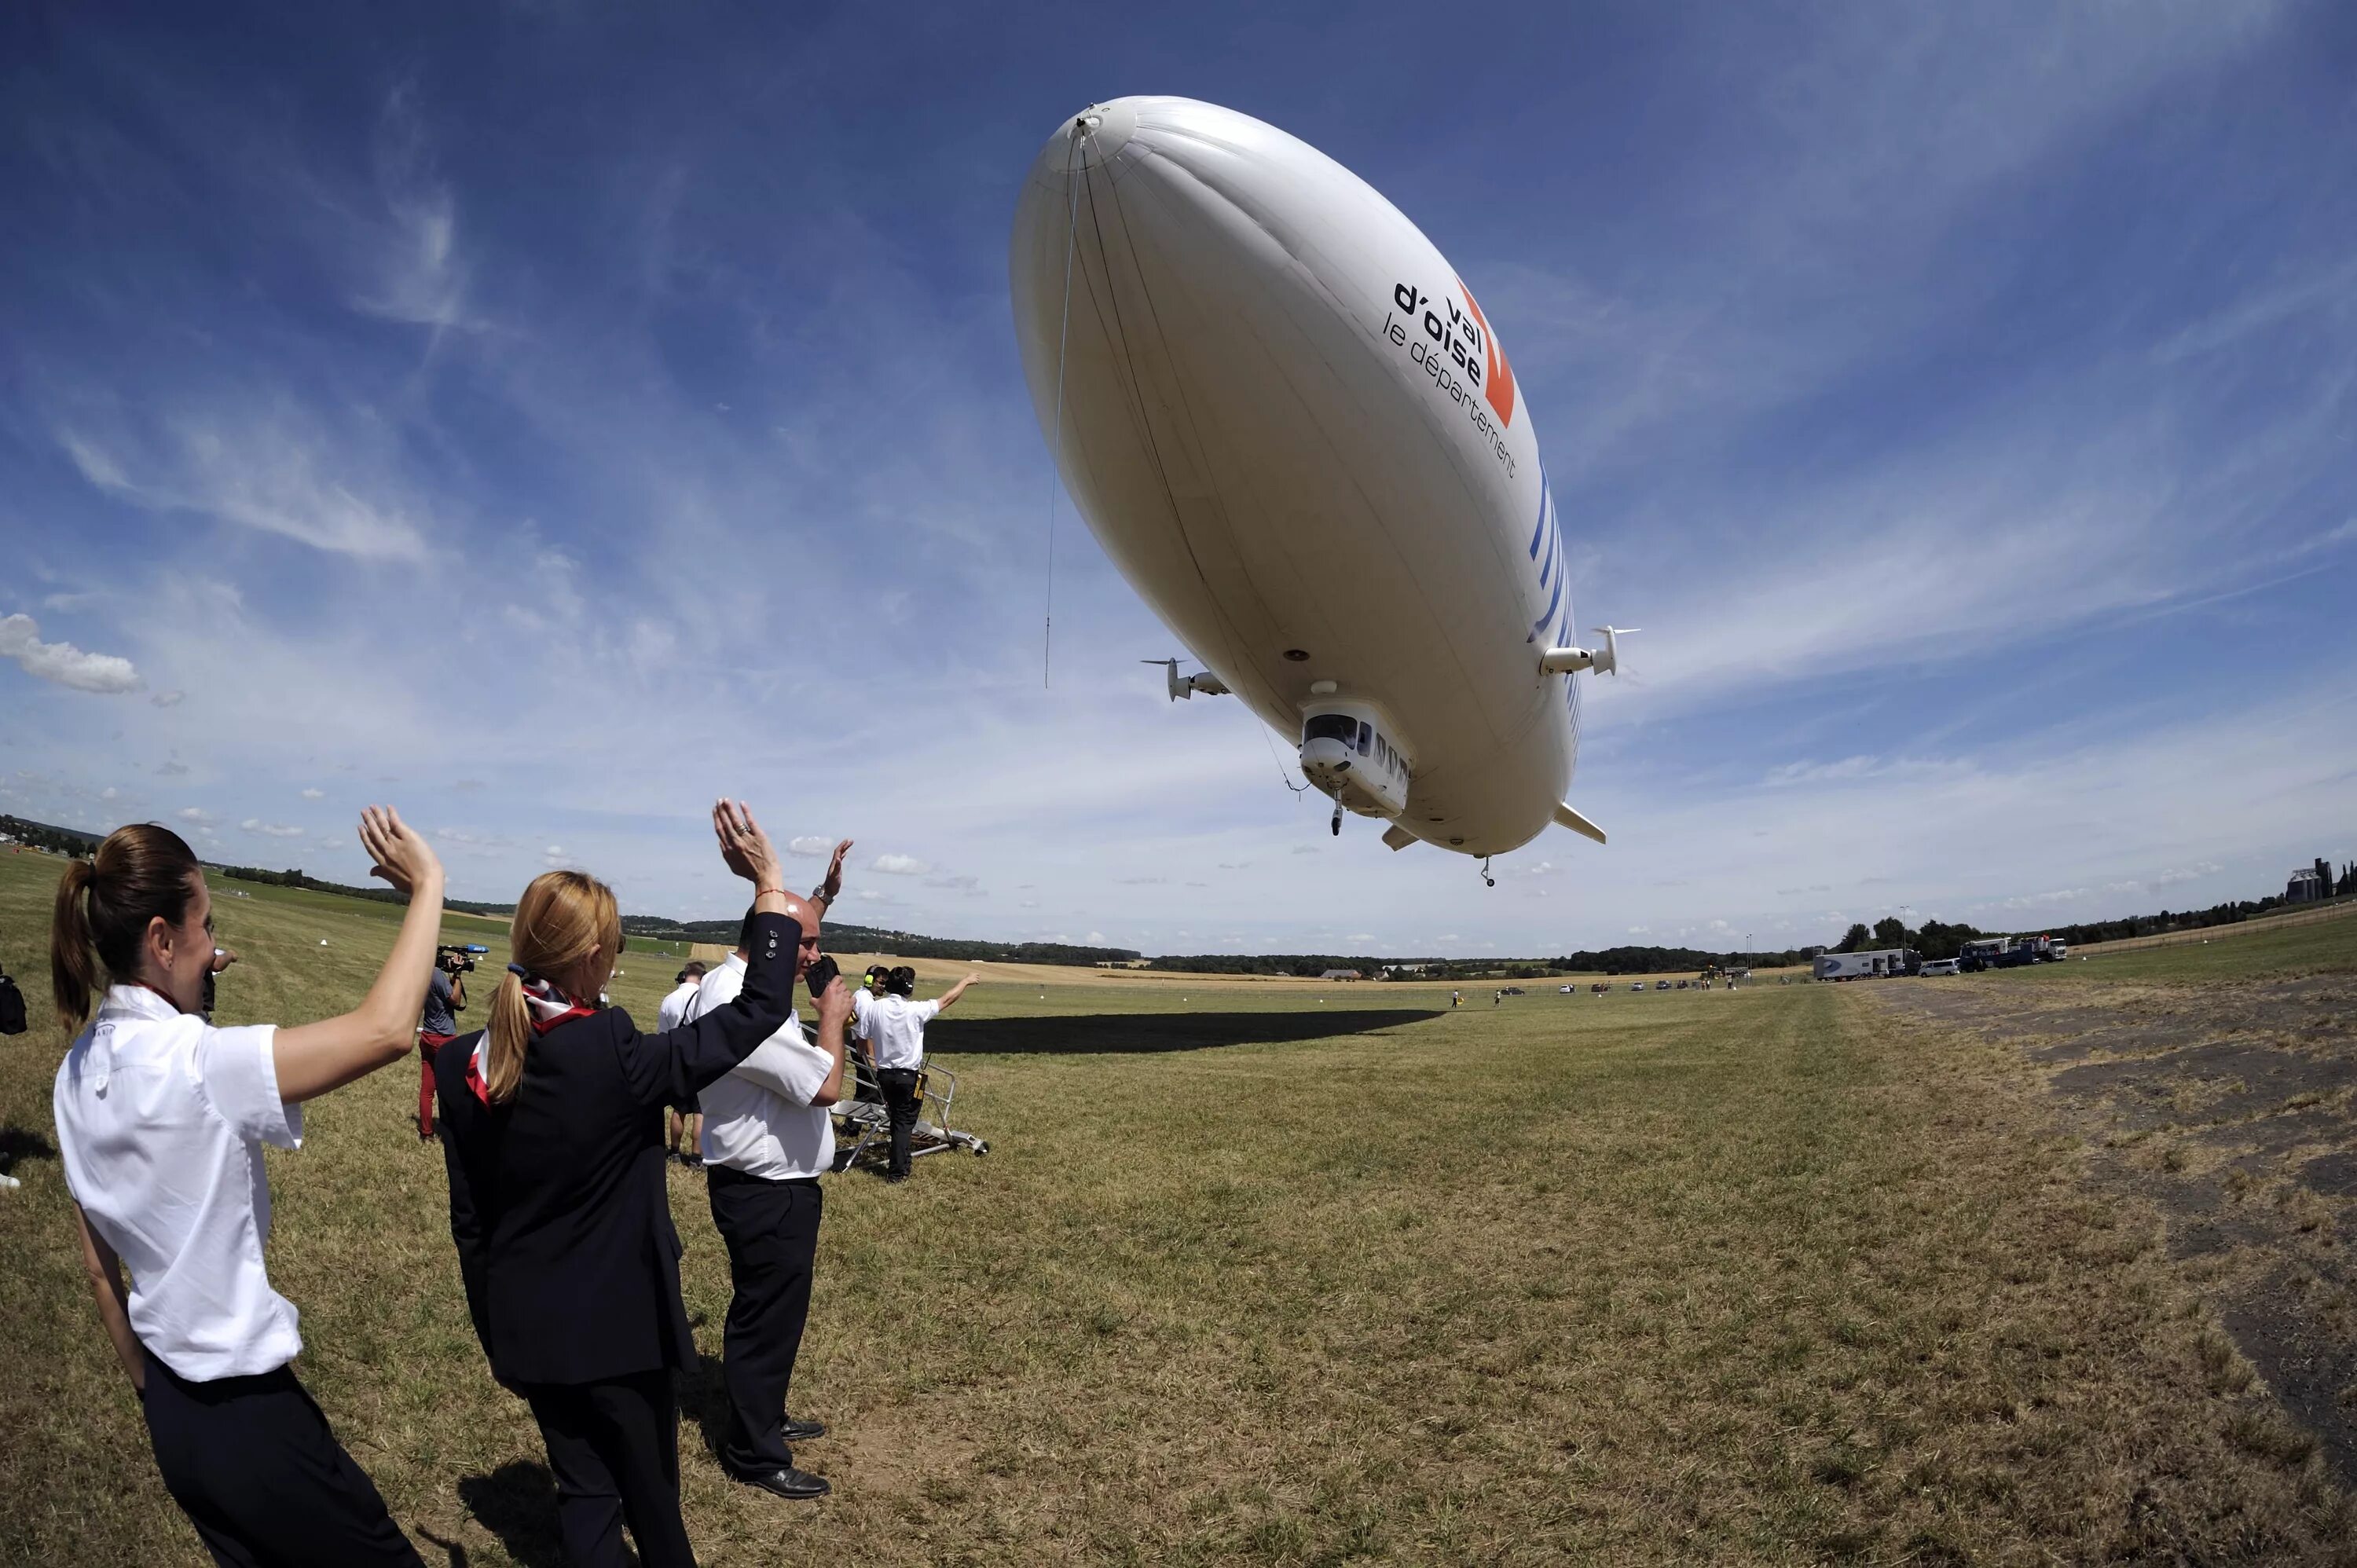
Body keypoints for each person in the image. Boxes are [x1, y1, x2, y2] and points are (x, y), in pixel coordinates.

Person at [51, 810, 445, 1567]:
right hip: (252, 1422)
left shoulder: (74, 1073)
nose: (212, 943)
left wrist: (153, 1394)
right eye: (205, 926)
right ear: (162, 940)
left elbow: (101, 1269)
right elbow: (388, 1029)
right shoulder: (199, 1063)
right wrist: (427, 885)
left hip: (173, 1412)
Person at [434, 800, 818, 1568]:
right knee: (653, 1505)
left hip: (527, 1328)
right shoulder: (614, 1054)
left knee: (584, 1497)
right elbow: (758, 1008)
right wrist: (768, 883)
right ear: (592, 960)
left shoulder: (459, 1065)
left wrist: (497, 1334)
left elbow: (470, 1224)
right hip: (619, 1338)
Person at [685, 902, 850, 1500]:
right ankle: (753, 1452)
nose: (812, 955)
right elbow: (825, 1086)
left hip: (773, 1184)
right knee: (764, 1319)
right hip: (765, 1188)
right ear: (769, 940)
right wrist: (832, 1016)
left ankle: (766, 1413)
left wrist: (822, 893)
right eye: (804, 942)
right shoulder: (737, 1000)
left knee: (779, 1316)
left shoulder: (751, 991)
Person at [863, 965, 977, 1182]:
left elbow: (864, 1035)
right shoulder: (915, 1010)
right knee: (904, 1123)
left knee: (897, 1119)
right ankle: (897, 1172)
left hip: (884, 1075)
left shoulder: (875, 1008)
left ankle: (904, 1162)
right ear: (908, 987)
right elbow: (946, 1000)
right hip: (908, 1077)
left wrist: (869, 1057)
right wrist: (965, 981)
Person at [416, 948, 467, 1141]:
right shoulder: (436, 974)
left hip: (427, 1035)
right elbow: (455, 999)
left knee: (427, 1089)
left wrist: (453, 976)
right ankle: (450, 1130)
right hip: (443, 1038)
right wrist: (458, 974)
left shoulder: (422, 974)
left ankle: (426, 1132)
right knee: (450, 1088)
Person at [658, 962, 708, 1163]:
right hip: (699, 1057)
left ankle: (675, 1152)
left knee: (679, 1109)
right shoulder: (703, 999)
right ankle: (697, 1157)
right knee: (699, 1112)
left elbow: (662, 1033)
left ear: (683, 976)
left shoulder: (669, 999)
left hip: (677, 1059)